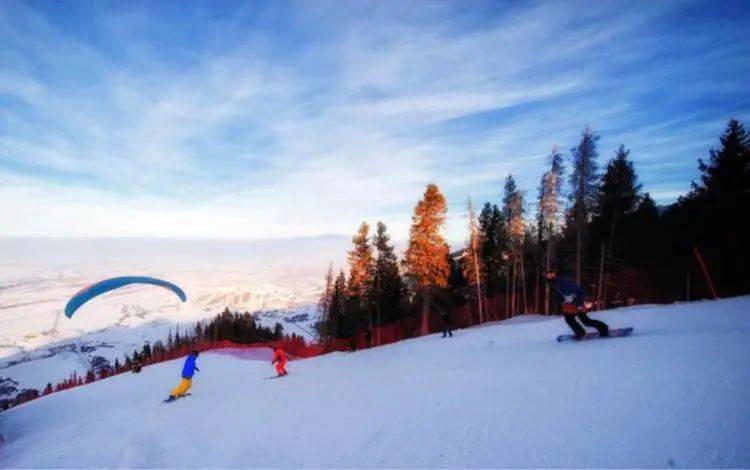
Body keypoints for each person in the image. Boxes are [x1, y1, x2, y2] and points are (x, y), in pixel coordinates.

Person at [543, 270, 609, 340]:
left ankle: (603, 328)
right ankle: (580, 333)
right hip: (569, 304)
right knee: (569, 318)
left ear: (554, 274)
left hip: (578, 302)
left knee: (585, 321)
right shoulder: (556, 284)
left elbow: (582, 292)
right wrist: (562, 300)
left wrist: (578, 303)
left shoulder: (564, 281)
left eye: (550, 275)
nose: (548, 277)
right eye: (547, 276)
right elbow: (561, 295)